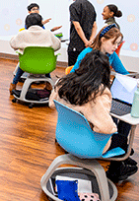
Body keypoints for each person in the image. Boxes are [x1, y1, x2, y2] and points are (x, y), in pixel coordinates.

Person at [50, 50, 137, 182]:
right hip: (88, 145)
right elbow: (105, 129)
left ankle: (122, 159)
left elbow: (52, 104)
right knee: (122, 138)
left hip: (64, 137)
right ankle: (116, 170)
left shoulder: (63, 82)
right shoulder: (99, 93)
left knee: (119, 139)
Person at [9, 13, 61, 94]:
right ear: (41, 23)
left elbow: (13, 44)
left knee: (22, 65)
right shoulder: (48, 34)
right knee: (43, 59)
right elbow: (57, 46)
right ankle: (48, 84)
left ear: (26, 24)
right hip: (46, 66)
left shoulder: (23, 33)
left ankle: (14, 84)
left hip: (27, 66)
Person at [65, 0, 97, 66]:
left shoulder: (74, 6)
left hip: (76, 44)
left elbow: (77, 26)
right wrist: (90, 41)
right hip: (88, 47)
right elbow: (94, 26)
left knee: (72, 71)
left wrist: (85, 41)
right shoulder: (91, 6)